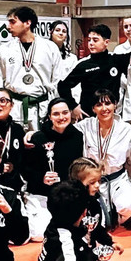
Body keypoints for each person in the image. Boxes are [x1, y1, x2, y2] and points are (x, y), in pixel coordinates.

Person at [0, 6, 61, 131]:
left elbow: (58, 81)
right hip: (14, 108)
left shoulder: (50, 48)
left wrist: (58, 108)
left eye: (13, 22)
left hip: (42, 108)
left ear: (27, 23)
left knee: (41, 142)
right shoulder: (5, 49)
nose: (8, 26)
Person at [21, 97, 84, 240]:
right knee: (39, 234)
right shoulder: (37, 138)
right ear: (49, 116)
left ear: (70, 113)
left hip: (68, 195)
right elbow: (26, 170)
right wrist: (41, 178)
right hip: (42, 194)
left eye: (65, 112)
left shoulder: (78, 137)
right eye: (56, 114)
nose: (61, 117)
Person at [76, 89, 131, 228]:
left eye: (108, 103)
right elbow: (63, 130)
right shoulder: (85, 126)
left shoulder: (126, 129)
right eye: (99, 105)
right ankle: (105, 216)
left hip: (117, 178)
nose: (104, 109)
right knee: (99, 224)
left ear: (115, 105)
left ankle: (117, 217)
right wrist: (32, 134)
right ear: (93, 108)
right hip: (92, 181)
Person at [57, 24, 131, 119]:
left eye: (95, 40)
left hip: (110, 114)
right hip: (89, 115)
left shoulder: (116, 60)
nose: (91, 43)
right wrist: (73, 106)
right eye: (89, 40)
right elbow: (63, 86)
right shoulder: (84, 65)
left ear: (106, 42)